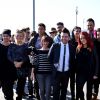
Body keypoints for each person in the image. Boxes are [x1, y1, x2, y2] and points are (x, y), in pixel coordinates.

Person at [48, 28, 75, 100]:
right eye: (62, 36)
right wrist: (53, 67)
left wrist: (70, 70)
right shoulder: (55, 45)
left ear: (69, 37)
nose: (64, 38)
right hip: (57, 72)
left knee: (64, 91)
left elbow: (72, 60)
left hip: (66, 73)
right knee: (55, 91)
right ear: (60, 37)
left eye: (66, 36)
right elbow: (49, 58)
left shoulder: (72, 47)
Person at [8, 30, 31, 100]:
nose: (19, 37)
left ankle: (19, 97)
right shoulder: (11, 45)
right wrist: (14, 62)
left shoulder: (26, 45)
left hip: (23, 68)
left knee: (21, 86)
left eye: (21, 36)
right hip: (13, 67)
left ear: (23, 37)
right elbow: (9, 55)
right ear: (15, 36)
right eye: (17, 35)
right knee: (10, 85)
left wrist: (21, 63)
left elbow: (27, 57)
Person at [75, 31, 98, 100]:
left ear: (87, 38)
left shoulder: (92, 47)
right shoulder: (78, 48)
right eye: (81, 38)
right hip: (80, 73)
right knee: (79, 89)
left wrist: (96, 73)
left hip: (90, 73)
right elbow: (76, 61)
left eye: (84, 38)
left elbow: (97, 61)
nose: (82, 39)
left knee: (89, 92)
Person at [30, 36, 53, 100]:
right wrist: (32, 74)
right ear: (41, 42)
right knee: (42, 90)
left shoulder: (51, 51)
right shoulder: (37, 51)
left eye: (46, 41)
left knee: (48, 90)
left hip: (49, 74)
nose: (45, 43)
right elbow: (34, 63)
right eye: (44, 41)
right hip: (39, 74)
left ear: (48, 42)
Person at [0, 29, 17, 100]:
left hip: (10, 72)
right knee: (5, 90)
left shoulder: (13, 46)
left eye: (7, 36)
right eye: (4, 36)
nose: (5, 37)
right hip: (0, 72)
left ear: (10, 37)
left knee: (9, 92)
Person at [69, 26, 81, 99]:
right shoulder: (70, 42)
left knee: (79, 82)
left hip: (79, 66)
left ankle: (78, 96)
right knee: (72, 82)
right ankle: (73, 96)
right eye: (76, 31)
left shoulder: (82, 41)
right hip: (71, 65)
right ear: (73, 32)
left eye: (79, 31)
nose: (77, 32)